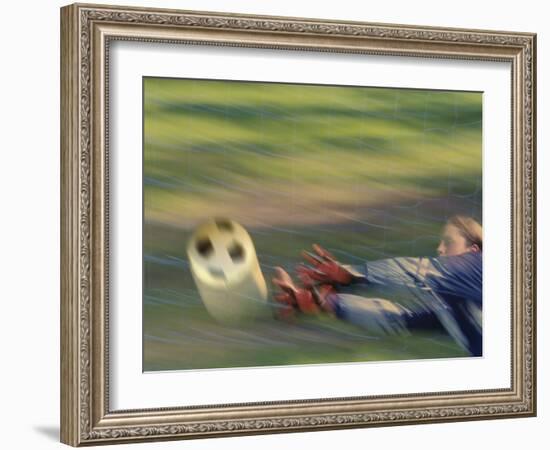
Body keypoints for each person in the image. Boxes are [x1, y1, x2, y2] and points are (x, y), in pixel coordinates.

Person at [272, 215, 483, 356]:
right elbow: (397, 319)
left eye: (448, 242)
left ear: (473, 250)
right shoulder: (455, 304)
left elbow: (414, 270)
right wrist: (327, 303)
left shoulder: (480, 264)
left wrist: (350, 274)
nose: (439, 248)